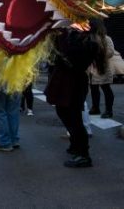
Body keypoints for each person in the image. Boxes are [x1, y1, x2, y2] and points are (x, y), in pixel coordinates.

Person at [45, 24, 103, 168]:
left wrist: (61, 35)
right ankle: (76, 146)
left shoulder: (87, 42)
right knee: (66, 114)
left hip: (72, 83)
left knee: (74, 118)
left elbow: (71, 59)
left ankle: (83, 154)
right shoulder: (80, 39)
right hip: (69, 82)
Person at [87, 19, 115, 118]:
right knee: (94, 88)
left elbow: (111, 52)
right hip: (92, 68)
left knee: (106, 88)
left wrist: (98, 54)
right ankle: (96, 108)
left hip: (103, 67)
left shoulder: (106, 38)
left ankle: (109, 110)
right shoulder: (89, 37)